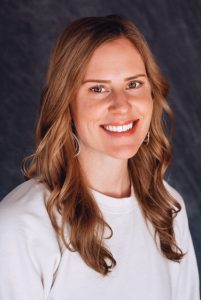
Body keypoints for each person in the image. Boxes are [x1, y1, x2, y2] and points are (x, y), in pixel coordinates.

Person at [0, 15, 199, 300]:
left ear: (152, 93)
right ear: (66, 104)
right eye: (98, 88)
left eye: (133, 84)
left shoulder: (168, 210)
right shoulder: (20, 227)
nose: (121, 105)